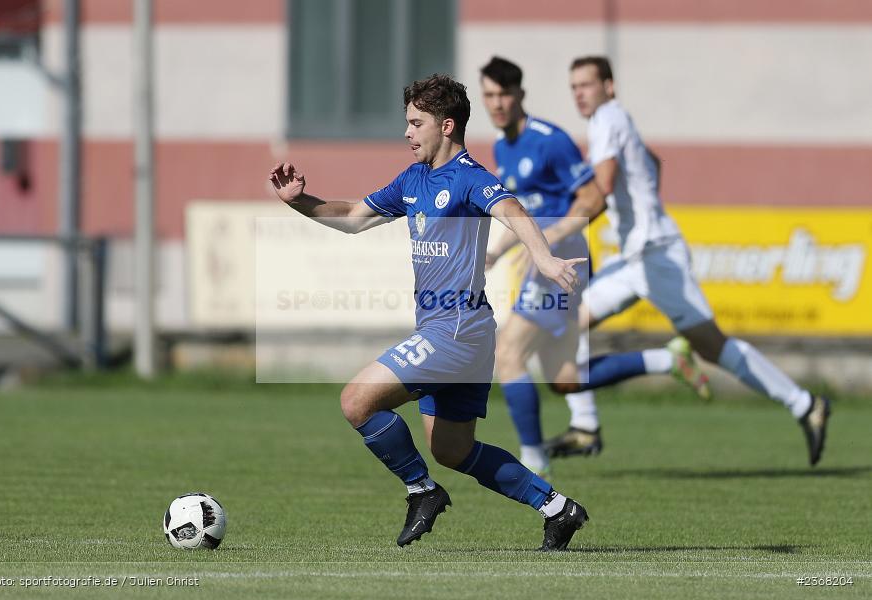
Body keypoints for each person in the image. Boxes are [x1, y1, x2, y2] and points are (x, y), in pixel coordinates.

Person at [269, 74, 589, 550]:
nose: (407, 133)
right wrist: (302, 203)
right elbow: (355, 217)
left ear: (446, 125)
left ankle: (422, 492)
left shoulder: (469, 177)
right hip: (459, 332)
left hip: (456, 330)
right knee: (452, 449)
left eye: (415, 123)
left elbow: (514, 211)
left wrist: (543, 257)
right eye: (406, 123)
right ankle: (558, 509)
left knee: (356, 401)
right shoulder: (413, 179)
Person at [547, 56, 830, 466]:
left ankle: (806, 404)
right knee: (568, 326)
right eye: (574, 87)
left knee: (714, 346)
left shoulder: (608, 118)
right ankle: (586, 425)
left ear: (609, 86)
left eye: (587, 85)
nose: (579, 94)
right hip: (636, 259)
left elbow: (602, 188)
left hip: (657, 257)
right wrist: (645, 205)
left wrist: (553, 234)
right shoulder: (613, 121)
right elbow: (652, 163)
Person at [478, 56, 711, 475]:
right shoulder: (502, 147)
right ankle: (667, 360)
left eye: (503, 94)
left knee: (509, 353)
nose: (496, 104)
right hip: (540, 261)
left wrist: (549, 242)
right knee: (565, 378)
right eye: (489, 95)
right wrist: (497, 252)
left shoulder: (549, 140)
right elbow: (523, 211)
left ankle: (533, 461)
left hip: (562, 261)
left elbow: (591, 196)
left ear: (520, 95)